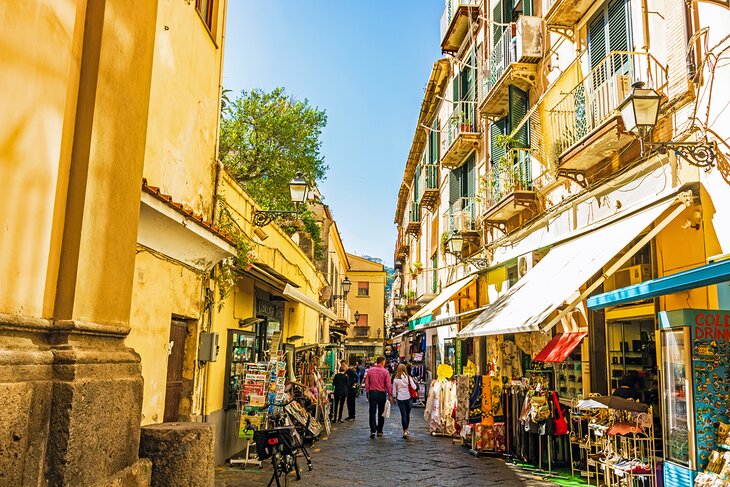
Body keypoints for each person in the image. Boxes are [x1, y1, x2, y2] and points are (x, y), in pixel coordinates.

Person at [364, 356, 392, 439]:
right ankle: (379, 430)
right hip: (381, 394)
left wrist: (368, 392)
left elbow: (367, 383)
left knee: (372, 412)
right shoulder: (386, 372)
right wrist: (390, 394)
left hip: (372, 393)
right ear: (383, 362)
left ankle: (372, 430)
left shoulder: (370, 370)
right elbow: (388, 384)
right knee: (381, 412)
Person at [391, 364, 416, 438]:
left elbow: (394, 390)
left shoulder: (396, 379)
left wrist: (394, 398)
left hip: (400, 398)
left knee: (403, 415)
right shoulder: (408, 378)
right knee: (407, 415)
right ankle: (406, 429)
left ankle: (404, 430)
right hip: (408, 397)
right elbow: (414, 387)